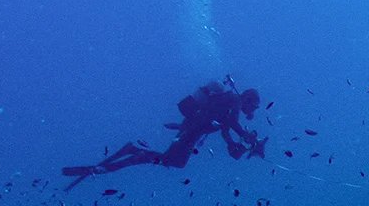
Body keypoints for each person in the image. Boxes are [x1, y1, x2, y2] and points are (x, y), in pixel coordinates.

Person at [62, 78, 267, 188]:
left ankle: (127, 156)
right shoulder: (234, 101)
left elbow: (224, 129)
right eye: (255, 107)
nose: (253, 112)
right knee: (173, 161)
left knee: (174, 161)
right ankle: (127, 155)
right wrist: (245, 136)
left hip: (192, 130)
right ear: (248, 99)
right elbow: (230, 123)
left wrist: (233, 144)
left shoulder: (231, 105)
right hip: (192, 129)